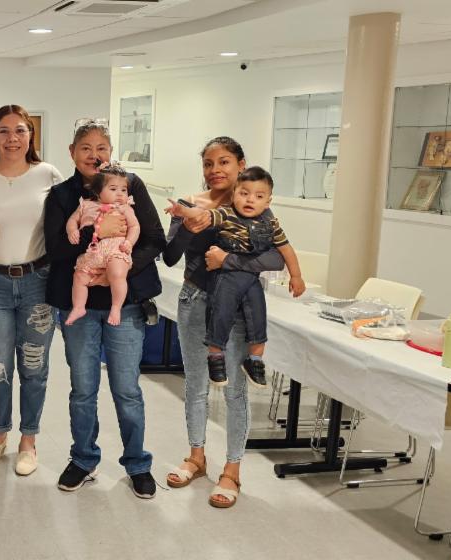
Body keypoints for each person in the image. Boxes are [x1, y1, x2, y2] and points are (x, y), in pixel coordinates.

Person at [162, 136, 287, 509]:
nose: (215, 170)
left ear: (240, 164)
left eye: (224, 162)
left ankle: (232, 470)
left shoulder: (254, 207)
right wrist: (189, 226)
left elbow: (276, 259)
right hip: (194, 300)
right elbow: (170, 257)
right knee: (196, 385)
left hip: (238, 309)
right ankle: (196, 456)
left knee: (234, 391)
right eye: (208, 163)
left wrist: (228, 261)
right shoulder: (189, 204)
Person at [44, 120, 164, 498]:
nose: (94, 155)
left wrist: (119, 268)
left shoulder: (130, 186)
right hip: (79, 304)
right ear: (72, 153)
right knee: (83, 389)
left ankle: (137, 463)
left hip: (123, 305)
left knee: (126, 389)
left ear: (110, 152)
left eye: (101, 148)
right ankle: (83, 459)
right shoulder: (62, 195)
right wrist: (93, 243)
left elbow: (153, 239)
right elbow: (55, 248)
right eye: (86, 148)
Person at [0, 104, 63, 477]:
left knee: (34, 365)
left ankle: (28, 439)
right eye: (3, 131)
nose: (12, 138)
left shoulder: (47, 174)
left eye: (20, 130)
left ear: (30, 135)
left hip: (38, 281)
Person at [167, 166, 305, 387]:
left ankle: (255, 359)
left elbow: (285, 250)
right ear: (234, 195)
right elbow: (203, 215)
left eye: (258, 196)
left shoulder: (271, 223)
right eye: (244, 193)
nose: (250, 200)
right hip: (227, 277)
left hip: (251, 279)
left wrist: (296, 276)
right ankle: (215, 355)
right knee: (221, 313)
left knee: (258, 316)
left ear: (268, 202)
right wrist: (183, 211)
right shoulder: (227, 213)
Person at [63, 162, 140, 327]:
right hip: (92, 252)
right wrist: (72, 231)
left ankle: (116, 307)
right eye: (113, 189)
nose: (120, 194)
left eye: (124, 190)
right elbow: (72, 220)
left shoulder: (125, 208)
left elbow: (135, 227)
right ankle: (78, 307)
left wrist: (129, 242)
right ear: (98, 192)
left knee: (117, 274)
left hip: (116, 248)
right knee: (79, 277)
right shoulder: (85, 205)